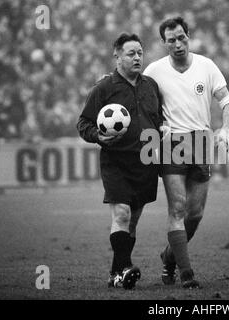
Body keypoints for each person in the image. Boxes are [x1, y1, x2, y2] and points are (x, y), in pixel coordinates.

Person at [143, 17, 229, 288]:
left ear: (188, 36)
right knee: (178, 208)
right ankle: (186, 274)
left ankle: (169, 257)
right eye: (171, 40)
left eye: (181, 37)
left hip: (201, 143)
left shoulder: (206, 66)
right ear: (164, 43)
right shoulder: (155, 71)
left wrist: (226, 128)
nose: (178, 44)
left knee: (194, 215)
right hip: (171, 145)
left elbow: (227, 101)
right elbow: (136, 94)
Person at [76, 33, 163, 289]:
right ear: (117, 57)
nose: (137, 57)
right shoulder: (103, 88)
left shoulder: (151, 86)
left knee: (132, 222)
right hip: (116, 163)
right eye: (131, 53)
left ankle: (116, 274)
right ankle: (125, 267)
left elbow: (158, 120)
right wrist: (99, 137)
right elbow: (83, 124)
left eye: (140, 53)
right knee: (122, 214)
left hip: (146, 162)